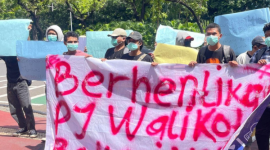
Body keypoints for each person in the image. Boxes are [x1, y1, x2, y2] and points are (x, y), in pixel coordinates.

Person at [0, 24, 37, 138]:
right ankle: (23, 126)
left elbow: (28, 45)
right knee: (14, 108)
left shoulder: (21, 52)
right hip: (10, 83)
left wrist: (27, 32)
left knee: (26, 107)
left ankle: (32, 129)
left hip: (21, 82)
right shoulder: (6, 54)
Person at [249, 22, 270, 150]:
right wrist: (257, 66)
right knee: (262, 135)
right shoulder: (258, 54)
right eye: (267, 36)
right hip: (263, 104)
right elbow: (249, 75)